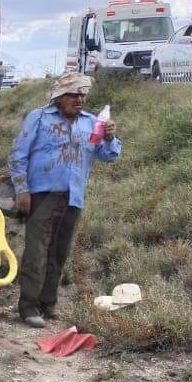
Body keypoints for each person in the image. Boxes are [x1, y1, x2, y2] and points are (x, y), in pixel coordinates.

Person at [8, 72, 120, 328]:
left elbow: (109, 156)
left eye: (82, 95)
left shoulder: (93, 123)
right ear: (59, 97)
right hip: (41, 194)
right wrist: (22, 190)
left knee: (59, 252)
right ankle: (28, 307)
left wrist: (110, 137)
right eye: (73, 94)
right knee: (37, 251)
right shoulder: (39, 118)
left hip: (72, 196)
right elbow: (18, 155)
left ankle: (48, 303)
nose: (79, 99)